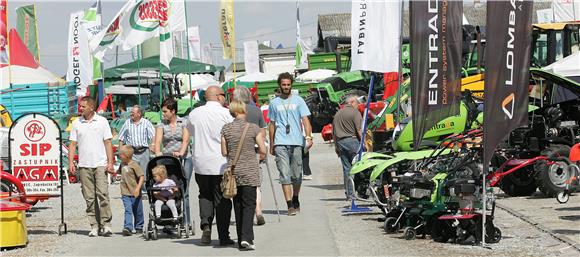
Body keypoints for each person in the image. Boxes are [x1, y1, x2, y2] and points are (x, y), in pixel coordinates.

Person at [187, 86, 235, 246]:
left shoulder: (194, 113)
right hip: (220, 163)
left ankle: (206, 225)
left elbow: (191, 133)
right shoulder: (226, 113)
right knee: (222, 199)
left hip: (201, 162)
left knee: (204, 195)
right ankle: (223, 235)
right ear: (218, 96)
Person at [221, 100, 267, 250]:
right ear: (243, 111)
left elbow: (224, 152)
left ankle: (241, 237)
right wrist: (252, 150)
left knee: (238, 204)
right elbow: (262, 149)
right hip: (249, 171)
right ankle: (247, 238)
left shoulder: (226, 129)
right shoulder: (253, 128)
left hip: (234, 171)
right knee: (249, 204)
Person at [68, 96, 115, 237]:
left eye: (83, 106)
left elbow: (108, 142)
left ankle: (106, 224)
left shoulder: (102, 121)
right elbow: (72, 144)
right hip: (84, 165)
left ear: (91, 107)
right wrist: (71, 162)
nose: (80, 108)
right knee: (89, 197)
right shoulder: (77, 123)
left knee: (103, 194)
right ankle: (94, 225)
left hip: (100, 163)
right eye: (80, 106)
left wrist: (110, 162)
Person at [268, 72, 313, 216]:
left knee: (296, 175)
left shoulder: (299, 100)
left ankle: (295, 198)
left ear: (291, 85)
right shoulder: (274, 103)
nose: (286, 87)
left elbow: (305, 120)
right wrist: (272, 143)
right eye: (283, 85)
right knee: (284, 173)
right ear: (279, 85)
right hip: (281, 142)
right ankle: (289, 205)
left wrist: (309, 136)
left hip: (296, 142)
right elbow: (272, 124)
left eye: (288, 85)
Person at [153, 98, 193, 228]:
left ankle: (185, 220)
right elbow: (158, 141)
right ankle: (168, 220)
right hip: (168, 160)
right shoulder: (161, 124)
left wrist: (181, 152)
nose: (163, 114)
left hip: (183, 158)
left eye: (165, 111)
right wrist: (158, 153)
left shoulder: (184, 122)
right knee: (165, 187)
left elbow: (186, 140)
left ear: (173, 111)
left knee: (183, 190)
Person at [232, 87, 267, 226]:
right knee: (255, 182)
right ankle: (258, 210)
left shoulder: (233, 111)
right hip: (255, 150)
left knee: (240, 184)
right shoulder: (257, 111)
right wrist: (262, 150)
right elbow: (262, 133)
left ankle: (246, 214)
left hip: (237, 152)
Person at [332, 95, 363, 199]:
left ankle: (349, 194)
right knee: (358, 167)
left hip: (340, 142)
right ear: (353, 102)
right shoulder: (355, 112)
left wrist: (336, 146)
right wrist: (364, 143)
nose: (358, 106)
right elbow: (359, 130)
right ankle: (358, 191)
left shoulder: (337, 114)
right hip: (353, 141)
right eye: (357, 103)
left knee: (346, 169)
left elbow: (334, 133)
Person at [118, 105, 155, 191]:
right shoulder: (127, 123)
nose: (131, 114)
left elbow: (153, 135)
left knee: (144, 171)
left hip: (143, 151)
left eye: (133, 113)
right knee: (132, 171)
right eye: (131, 112)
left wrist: (153, 144)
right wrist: (121, 150)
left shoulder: (146, 123)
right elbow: (121, 137)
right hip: (132, 152)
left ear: (139, 114)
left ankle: (144, 190)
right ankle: (133, 190)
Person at [118, 145, 145, 236]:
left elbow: (141, 177)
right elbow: (118, 172)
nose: (119, 155)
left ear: (127, 156)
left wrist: (138, 188)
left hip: (135, 192)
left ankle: (139, 226)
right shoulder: (122, 164)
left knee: (138, 210)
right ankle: (128, 227)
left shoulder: (134, 165)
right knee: (128, 209)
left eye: (120, 154)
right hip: (125, 192)